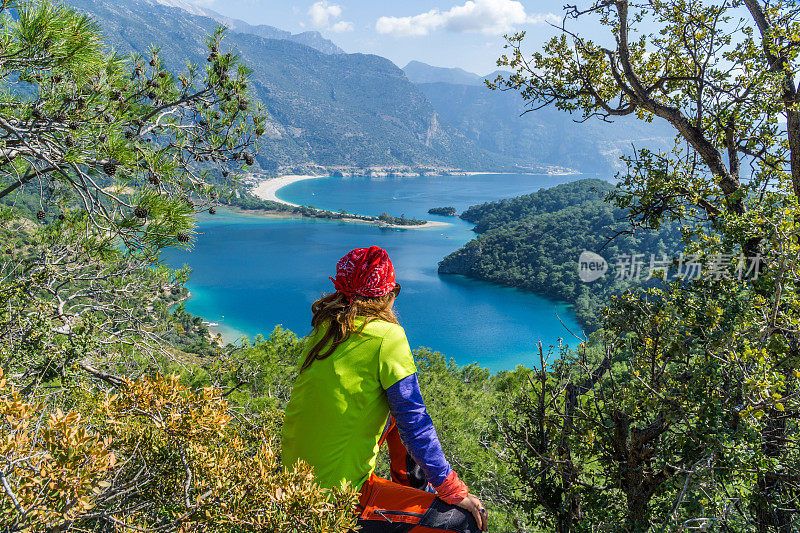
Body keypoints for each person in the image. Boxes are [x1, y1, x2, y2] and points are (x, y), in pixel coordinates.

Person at [281, 246, 488, 532]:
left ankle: (419, 493)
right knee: (464, 522)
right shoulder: (387, 336)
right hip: (337, 499)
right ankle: (425, 498)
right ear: (386, 295)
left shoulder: (326, 328)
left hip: (288, 487)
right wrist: (452, 489)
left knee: (391, 416)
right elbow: (415, 422)